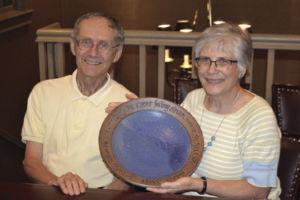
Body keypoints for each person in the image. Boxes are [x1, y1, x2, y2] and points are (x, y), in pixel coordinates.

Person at [146, 23, 281, 199]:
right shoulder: (194, 100)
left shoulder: (258, 117)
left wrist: (198, 185)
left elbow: (258, 191)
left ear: (242, 68)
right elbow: (168, 146)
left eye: (223, 61)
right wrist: (142, 115)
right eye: (205, 60)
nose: (211, 70)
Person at [22, 12, 133, 196]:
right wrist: (56, 182)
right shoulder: (43, 92)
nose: (93, 52)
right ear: (73, 46)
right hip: (50, 189)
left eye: (103, 45)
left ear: (117, 53)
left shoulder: (127, 103)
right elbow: (31, 161)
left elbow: (126, 176)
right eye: (86, 42)